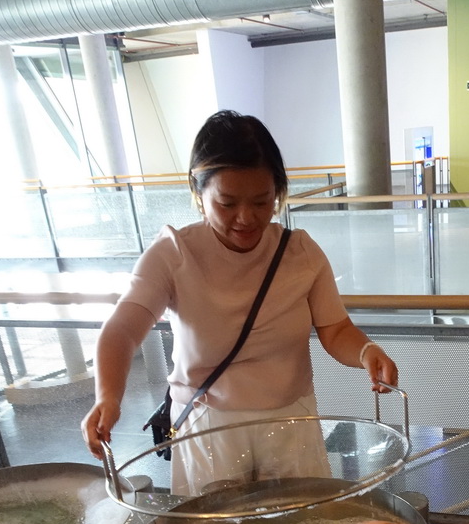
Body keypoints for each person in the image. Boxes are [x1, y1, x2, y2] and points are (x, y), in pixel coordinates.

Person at [81, 110, 398, 495]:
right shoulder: (174, 255)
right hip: (210, 425)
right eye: (227, 203)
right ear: (199, 194)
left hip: (290, 419)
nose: (246, 218)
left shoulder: (300, 253)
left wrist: (366, 351)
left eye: (262, 202)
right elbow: (123, 329)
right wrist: (108, 396)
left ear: (278, 194)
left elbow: (335, 329)